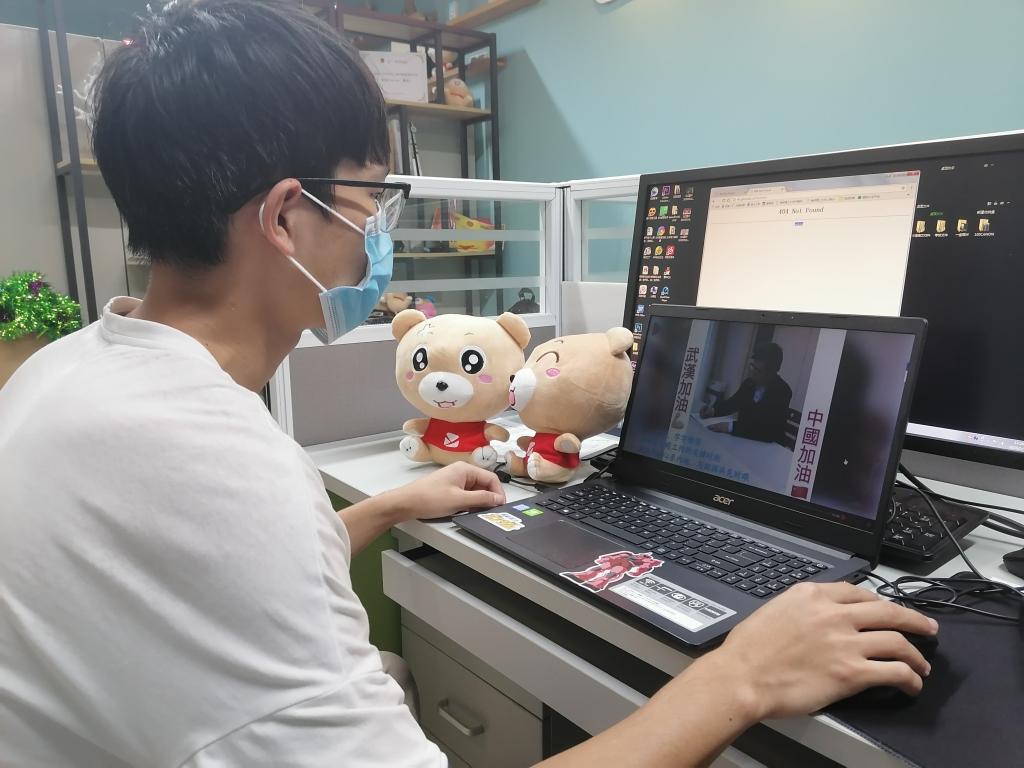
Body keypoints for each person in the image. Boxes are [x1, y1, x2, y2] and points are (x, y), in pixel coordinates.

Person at [0, 2, 937, 766]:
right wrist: (745, 675)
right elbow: (227, 537)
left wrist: (384, 508)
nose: (378, 238)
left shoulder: (68, 374)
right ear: (287, 218)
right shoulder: (211, 460)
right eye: (370, 202)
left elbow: (195, 574)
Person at [701, 342, 793, 443]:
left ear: (771, 372)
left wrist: (730, 427)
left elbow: (768, 430)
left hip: (769, 447)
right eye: (752, 366)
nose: (752, 372)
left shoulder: (783, 391)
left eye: (757, 370)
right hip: (743, 441)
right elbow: (732, 403)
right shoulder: (749, 383)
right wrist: (713, 411)